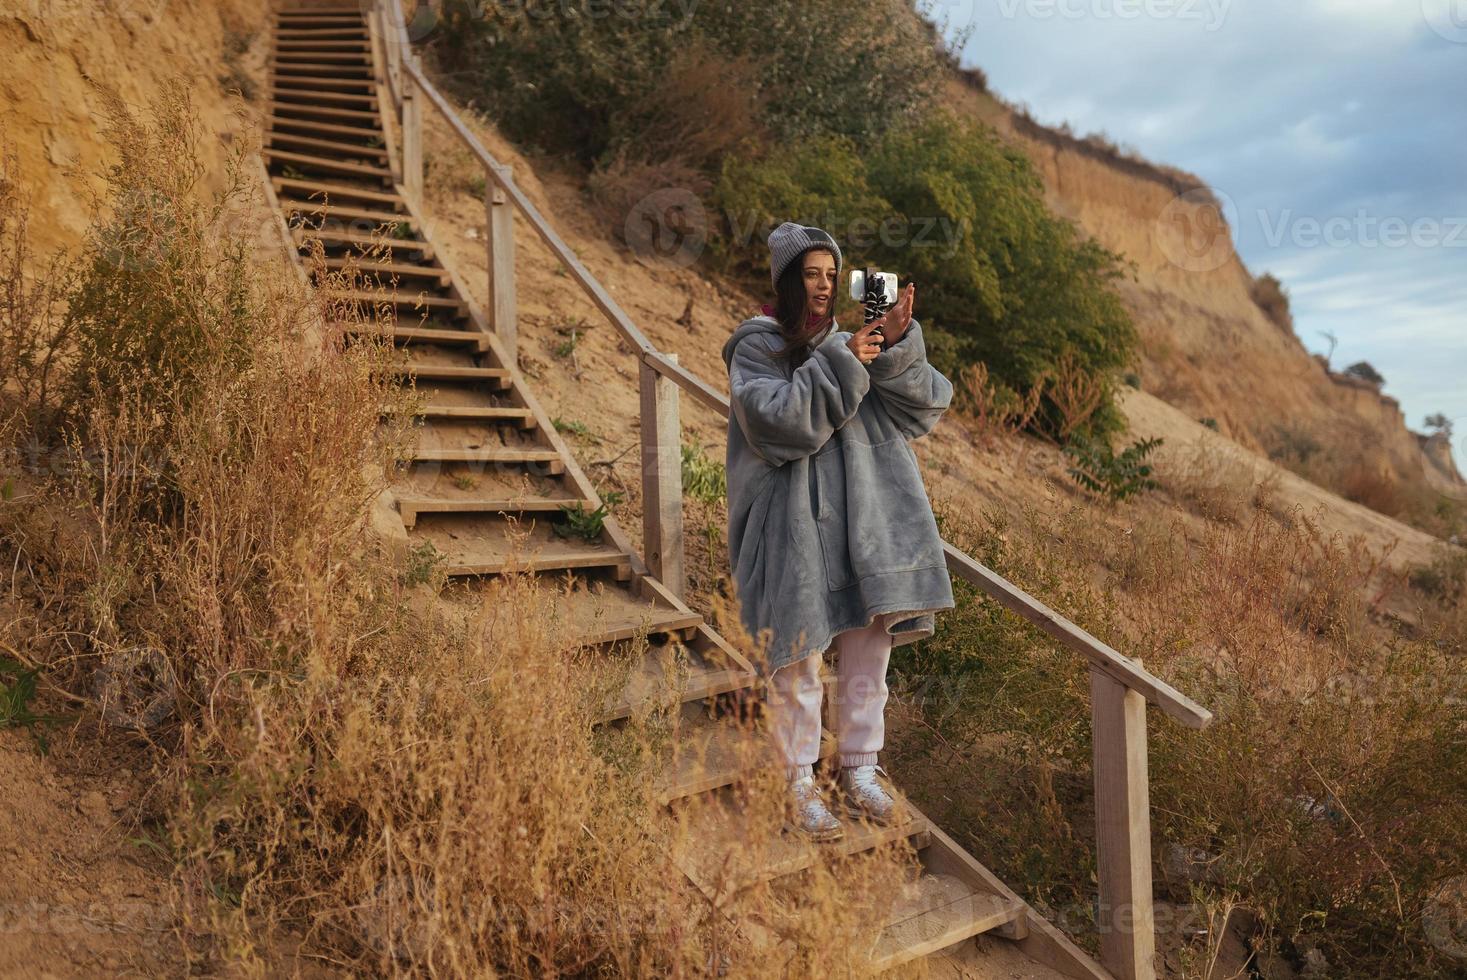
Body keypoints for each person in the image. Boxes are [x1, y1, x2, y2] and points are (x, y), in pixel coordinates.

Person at [720, 222, 955, 841]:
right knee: (798, 653)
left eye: (832, 273)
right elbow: (779, 424)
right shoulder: (756, 347)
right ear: (788, 279)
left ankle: (860, 769)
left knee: (869, 650)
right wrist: (845, 356)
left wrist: (896, 343)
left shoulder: (853, 342)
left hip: (867, 517)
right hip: (794, 524)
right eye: (811, 273)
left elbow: (924, 408)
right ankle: (797, 780)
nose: (823, 285)